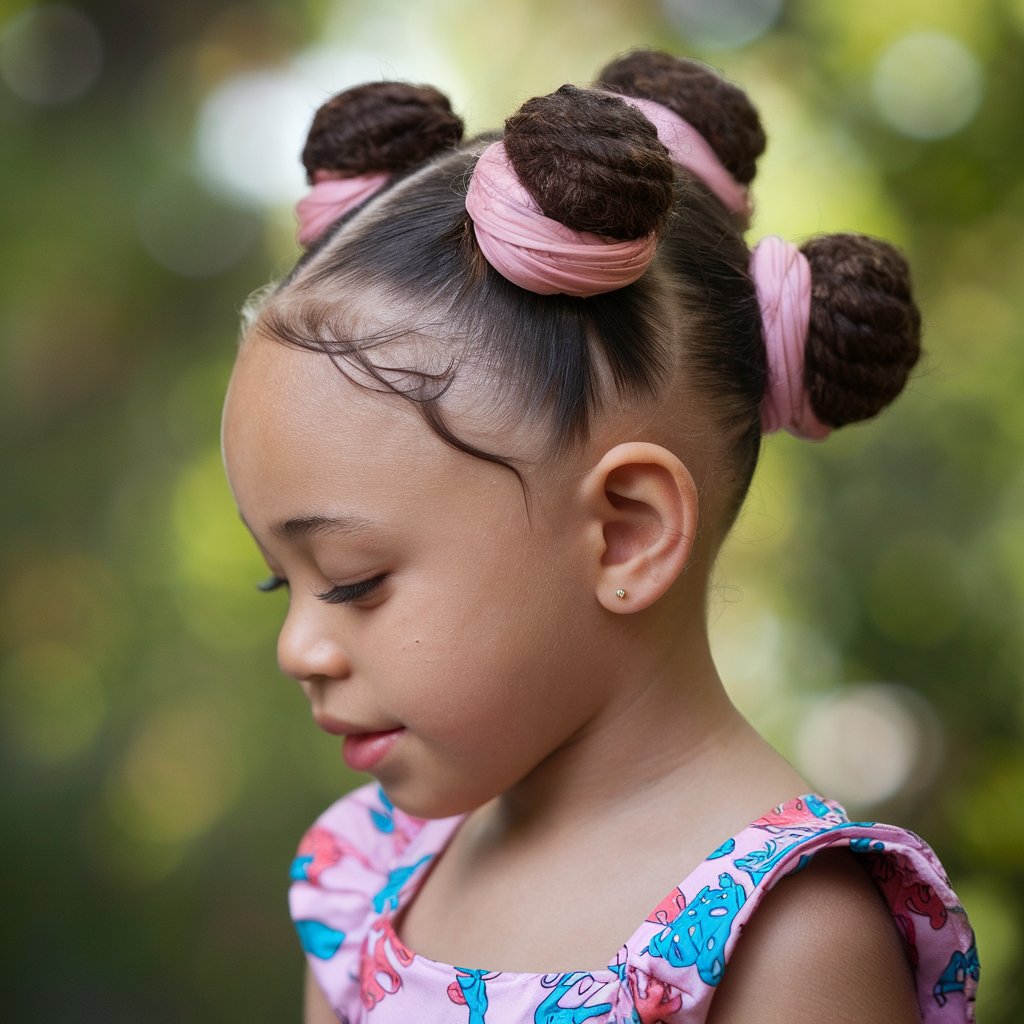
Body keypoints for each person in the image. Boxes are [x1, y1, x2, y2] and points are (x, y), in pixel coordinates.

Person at [221, 49, 979, 1024]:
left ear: (624, 534)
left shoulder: (786, 938)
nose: (299, 649)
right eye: (279, 583)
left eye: (354, 579)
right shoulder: (369, 873)